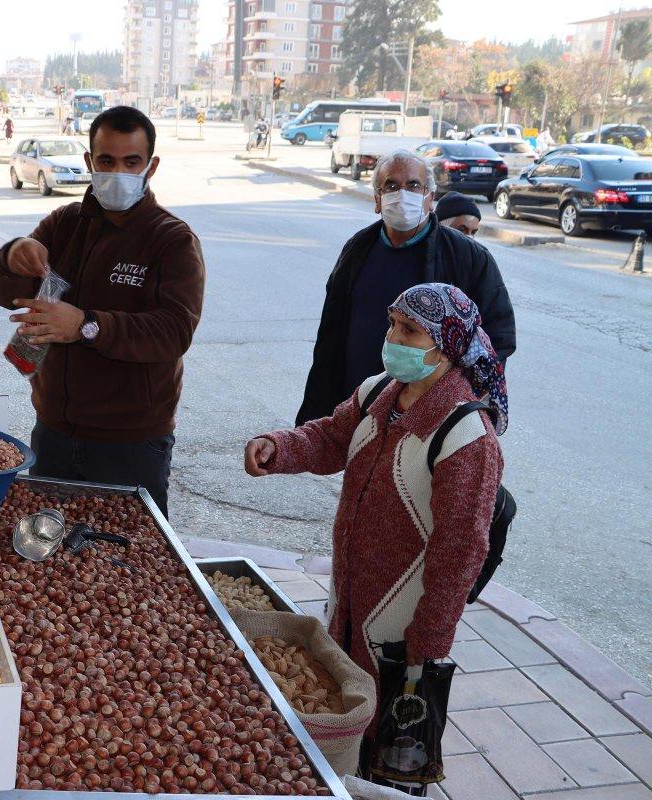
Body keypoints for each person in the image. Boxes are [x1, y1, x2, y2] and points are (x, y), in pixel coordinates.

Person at [246, 283, 506, 792]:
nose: (393, 338)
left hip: (402, 619)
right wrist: (277, 447)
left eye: (409, 331)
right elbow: (330, 437)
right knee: (345, 708)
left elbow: (461, 552)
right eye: (393, 324)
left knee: (393, 744)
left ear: (446, 346)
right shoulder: (378, 393)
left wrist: (427, 644)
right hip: (350, 596)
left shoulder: (466, 436)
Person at [0, 106, 205, 514]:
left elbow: (175, 331)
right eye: (106, 160)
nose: (117, 171)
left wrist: (86, 325)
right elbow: (4, 292)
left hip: (131, 442)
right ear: (90, 161)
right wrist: (11, 255)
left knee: (130, 561)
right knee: (48, 553)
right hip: (53, 433)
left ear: (150, 167)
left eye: (131, 162)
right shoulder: (64, 224)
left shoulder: (171, 239)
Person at [296, 149, 516, 425]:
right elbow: (332, 333)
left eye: (413, 185)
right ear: (377, 200)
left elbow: (498, 335)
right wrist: (318, 413)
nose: (403, 194)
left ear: (430, 198)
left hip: (432, 414)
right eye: (391, 185)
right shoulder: (358, 250)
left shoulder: (468, 258)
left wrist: (458, 399)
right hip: (361, 405)